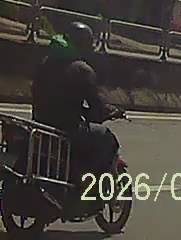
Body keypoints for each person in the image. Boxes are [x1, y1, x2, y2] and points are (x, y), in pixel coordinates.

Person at [31, 21, 123, 176]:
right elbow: (97, 107)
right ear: (84, 45)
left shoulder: (46, 62)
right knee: (106, 137)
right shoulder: (82, 70)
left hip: (40, 125)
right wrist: (109, 112)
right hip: (66, 130)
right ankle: (87, 180)